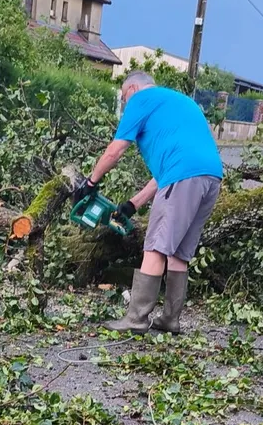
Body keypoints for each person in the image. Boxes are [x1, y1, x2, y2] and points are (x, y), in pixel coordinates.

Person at [73, 70, 223, 334]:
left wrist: (90, 182)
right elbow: (168, 174)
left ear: (131, 89)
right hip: (210, 177)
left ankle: (136, 319)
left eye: (123, 98)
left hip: (183, 176)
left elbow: (115, 151)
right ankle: (170, 320)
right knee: (179, 252)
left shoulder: (141, 100)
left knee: (154, 247)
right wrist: (133, 203)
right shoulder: (181, 102)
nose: (124, 104)